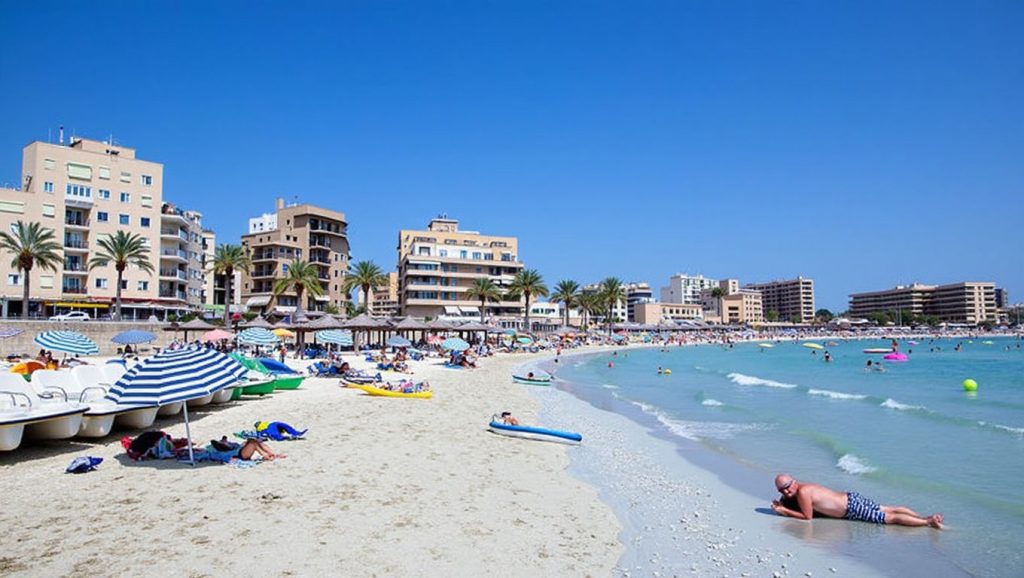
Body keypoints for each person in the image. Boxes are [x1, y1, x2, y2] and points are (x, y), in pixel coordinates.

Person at [770, 474, 943, 528]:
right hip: (851, 497)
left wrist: (784, 511)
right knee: (889, 508)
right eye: (781, 490)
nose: (786, 491)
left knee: (891, 518)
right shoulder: (803, 487)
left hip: (851, 508)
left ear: (793, 481)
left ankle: (927, 521)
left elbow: (807, 516)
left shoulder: (803, 493)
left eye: (787, 486)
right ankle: (923, 517)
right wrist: (783, 502)